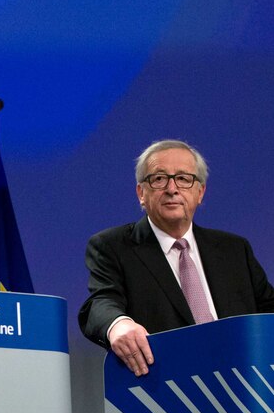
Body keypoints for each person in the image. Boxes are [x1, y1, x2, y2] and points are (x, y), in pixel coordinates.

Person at [78, 139, 274, 376]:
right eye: (159, 179)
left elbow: (268, 310)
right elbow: (100, 303)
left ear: (200, 192)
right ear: (141, 192)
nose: (172, 189)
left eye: (183, 178)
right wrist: (118, 324)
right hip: (167, 388)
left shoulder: (234, 249)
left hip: (242, 385)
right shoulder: (113, 246)